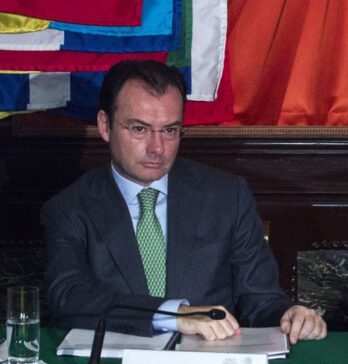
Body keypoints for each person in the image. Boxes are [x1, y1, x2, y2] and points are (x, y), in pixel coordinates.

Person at [42, 60, 326, 343]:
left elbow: (261, 300)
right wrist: (175, 315)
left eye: (169, 130)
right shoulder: (70, 209)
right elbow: (70, 299)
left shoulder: (227, 196)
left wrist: (291, 314)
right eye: (139, 129)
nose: (156, 148)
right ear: (105, 126)